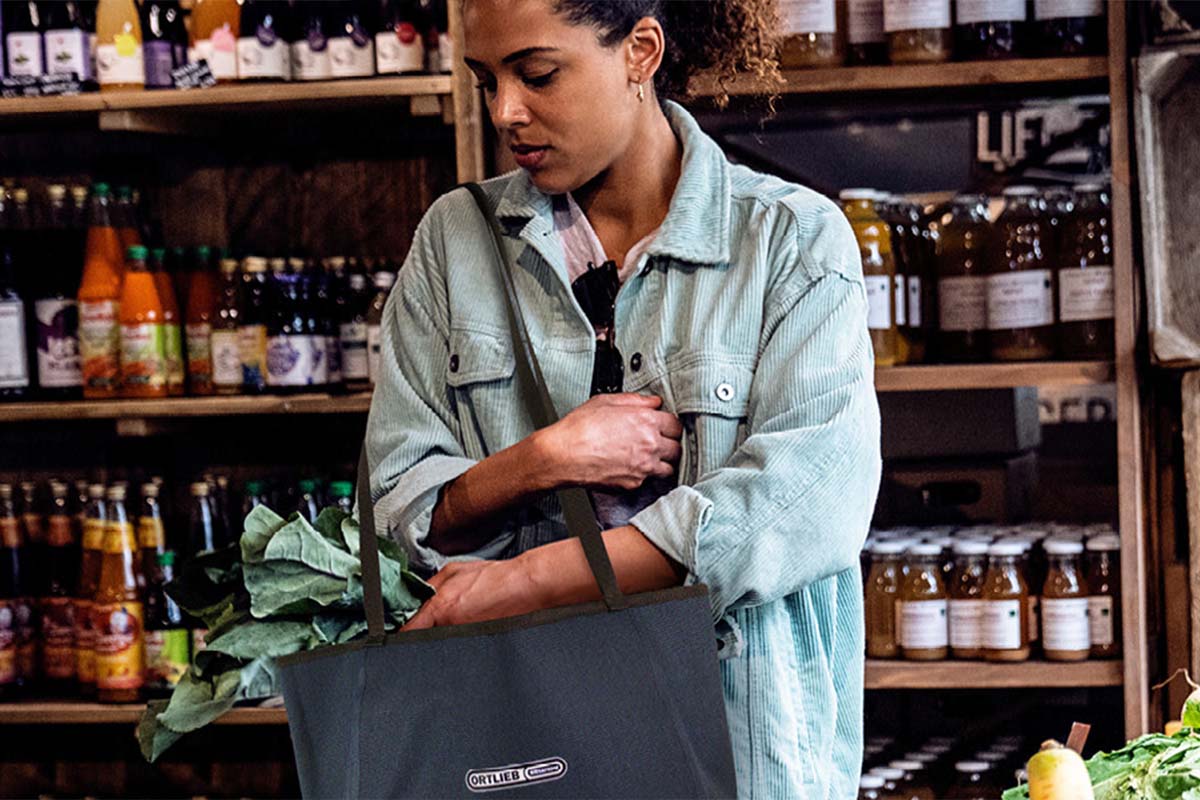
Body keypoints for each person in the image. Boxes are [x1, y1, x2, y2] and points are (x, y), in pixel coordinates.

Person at [365, 0, 881, 796]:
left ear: (640, 51)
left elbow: (805, 500)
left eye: (538, 74)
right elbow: (397, 503)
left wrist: (528, 579)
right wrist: (542, 460)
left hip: (741, 755)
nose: (507, 111)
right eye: (484, 81)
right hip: (516, 757)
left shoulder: (789, 241)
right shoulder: (454, 243)